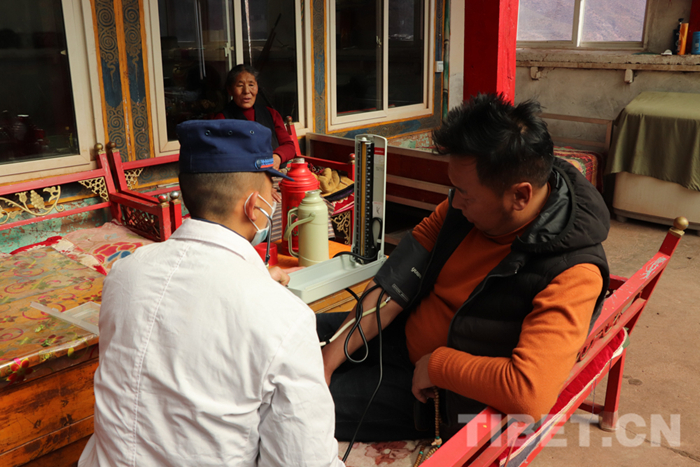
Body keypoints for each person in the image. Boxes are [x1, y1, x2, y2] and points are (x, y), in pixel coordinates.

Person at [318, 93, 610, 441]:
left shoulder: (572, 273)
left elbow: (530, 394)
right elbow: (395, 285)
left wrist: (438, 366)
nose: (454, 201)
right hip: (397, 331)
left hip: (432, 394)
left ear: (520, 195)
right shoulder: (459, 211)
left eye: (465, 193)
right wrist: (329, 360)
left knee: (293, 403)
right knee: (283, 334)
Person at [79, 119, 344, 467]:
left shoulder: (124, 275)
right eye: (272, 189)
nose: (276, 198)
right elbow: (303, 460)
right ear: (253, 206)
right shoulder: (286, 319)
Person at [215, 64, 296, 170]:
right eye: (240, 85)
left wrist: (277, 157)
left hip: (274, 173)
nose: (246, 91)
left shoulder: (271, 114)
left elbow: (289, 146)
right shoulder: (221, 119)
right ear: (230, 90)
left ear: (257, 88)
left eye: (251, 85)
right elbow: (220, 155)